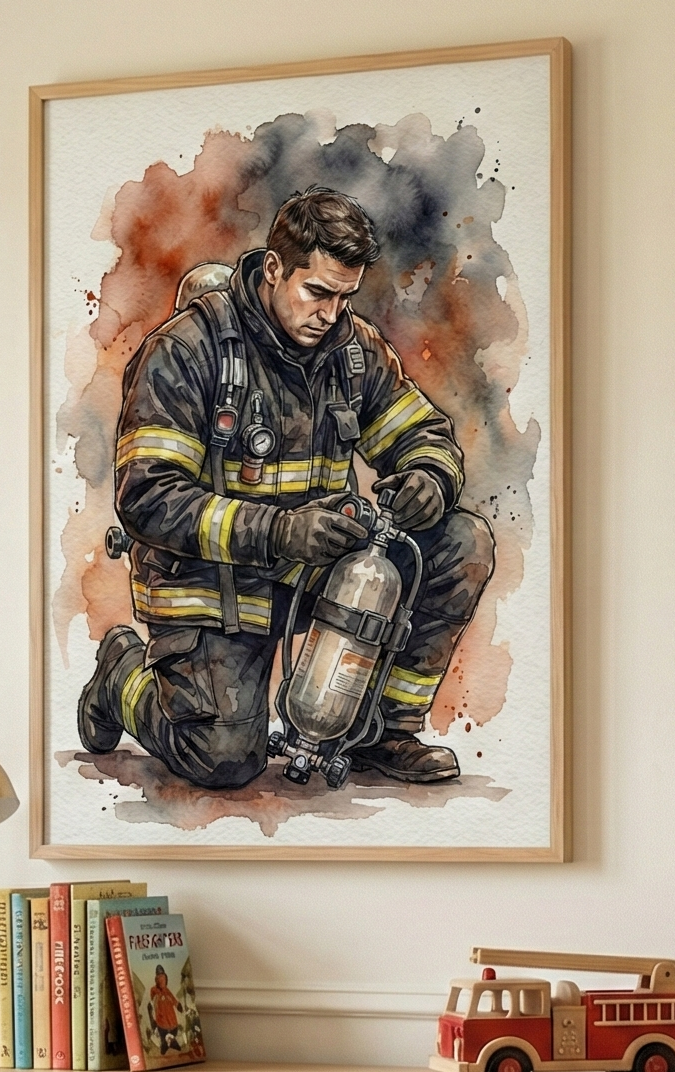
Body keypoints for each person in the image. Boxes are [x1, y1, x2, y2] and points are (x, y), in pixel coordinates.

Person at [77, 187, 494, 788]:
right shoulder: (185, 351)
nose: (329, 314)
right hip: (213, 585)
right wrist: (279, 530)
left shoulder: (352, 349)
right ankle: (122, 675)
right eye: (316, 292)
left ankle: (385, 730)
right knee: (222, 761)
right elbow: (149, 497)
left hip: (320, 574)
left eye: (343, 297)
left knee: (461, 540)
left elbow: (421, 431)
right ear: (274, 268)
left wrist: (430, 475)